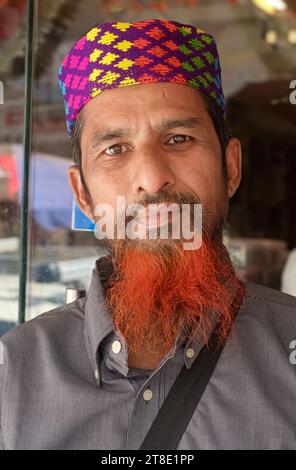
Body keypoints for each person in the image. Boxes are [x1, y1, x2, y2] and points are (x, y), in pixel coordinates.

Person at [0, 18, 296, 450]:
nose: (153, 179)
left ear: (230, 168)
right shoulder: (12, 373)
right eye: (115, 150)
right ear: (82, 194)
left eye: (178, 138)